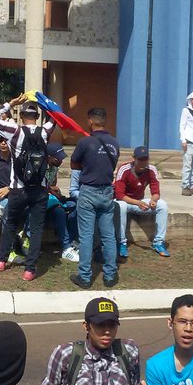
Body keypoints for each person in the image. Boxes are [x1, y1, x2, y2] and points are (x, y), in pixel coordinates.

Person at [0, 99, 57, 282]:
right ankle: (30, 269)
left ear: (21, 115)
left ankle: (1, 261)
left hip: (18, 189)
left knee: (11, 224)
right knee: (36, 229)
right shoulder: (45, 131)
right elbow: (56, 116)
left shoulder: (14, 131)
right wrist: (44, 103)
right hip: (40, 190)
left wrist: (9, 104)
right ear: (37, 116)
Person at [69, 107, 120, 289]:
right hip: (107, 192)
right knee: (108, 236)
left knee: (86, 236)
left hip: (89, 191)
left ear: (90, 121)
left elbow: (74, 163)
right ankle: (110, 275)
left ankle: (85, 276)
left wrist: (88, 166)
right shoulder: (114, 143)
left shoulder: (85, 142)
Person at [114, 146, 170, 259]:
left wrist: (153, 201)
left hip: (139, 202)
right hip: (125, 201)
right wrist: (137, 203)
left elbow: (156, 192)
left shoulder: (151, 169)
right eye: (140, 159)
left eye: (145, 159)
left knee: (162, 205)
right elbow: (119, 194)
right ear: (134, 158)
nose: (143, 162)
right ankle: (121, 242)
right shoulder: (124, 169)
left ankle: (158, 242)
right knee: (121, 206)